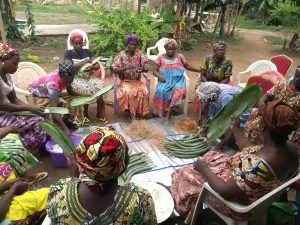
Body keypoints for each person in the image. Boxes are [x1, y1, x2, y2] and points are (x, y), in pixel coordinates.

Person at [170, 99, 299, 224]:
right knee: (213, 156)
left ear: (263, 126)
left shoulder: (257, 166)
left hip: (239, 206)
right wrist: (236, 130)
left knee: (185, 174)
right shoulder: (291, 148)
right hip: (260, 192)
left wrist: (203, 168)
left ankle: (179, 203)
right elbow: (251, 152)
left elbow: (225, 191)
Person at [46, 126, 157, 224]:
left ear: (80, 161)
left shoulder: (58, 192)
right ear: (122, 169)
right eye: (126, 156)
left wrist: (74, 176)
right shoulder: (139, 200)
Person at [0, 43, 47, 152]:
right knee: (38, 122)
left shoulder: (7, 75)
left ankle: (27, 146)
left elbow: (14, 99)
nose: (17, 67)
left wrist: (32, 109)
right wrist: (29, 108)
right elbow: (1, 105)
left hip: (9, 110)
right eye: (14, 64)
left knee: (41, 118)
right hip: (2, 114)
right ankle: (19, 149)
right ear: (3, 60)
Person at [240, 66, 300, 150]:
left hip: (288, 125)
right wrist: (261, 103)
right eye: (296, 76)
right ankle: (250, 150)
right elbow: (267, 95)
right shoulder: (283, 85)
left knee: (288, 142)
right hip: (270, 116)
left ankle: (270, 157)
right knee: (254, 126)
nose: (297, 79)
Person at [28, 60, 86, 136]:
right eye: (66, 82)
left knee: (75, 100)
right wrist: (66, 130)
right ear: (61, 76)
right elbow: (54, 111)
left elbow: (70, 90)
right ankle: (59, 127)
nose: (68, 84)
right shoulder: (53, 84)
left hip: (53, 92)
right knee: (62, 104)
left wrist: (87, 95)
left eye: (70, 81)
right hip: (39, 95)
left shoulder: (66, 76)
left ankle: (67, 121)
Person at [153, 39, 201, 122]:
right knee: (161, 91)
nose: (170, 51)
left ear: (175, 49)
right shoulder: (160, 57)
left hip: (177, 81)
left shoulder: (180, 57)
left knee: (178, 92)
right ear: (165, 49)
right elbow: (154, 71)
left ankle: (169, 114)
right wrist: (160, 77)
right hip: (165, 80)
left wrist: (200, 70)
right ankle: (164, 110)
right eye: (168, 49)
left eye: (172, 49)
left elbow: (188, 67)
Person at [64, 31, 107, 125]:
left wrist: (91, 67)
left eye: (80, 43)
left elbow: (97, 66)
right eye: (76, 43)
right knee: (85, 89)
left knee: (101, 87)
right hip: (76, 77)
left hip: (89, 76)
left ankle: (99, 114)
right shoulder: (68, 54)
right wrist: (84, 63)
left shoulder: (88, 52)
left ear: (83, 43)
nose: (79, 45)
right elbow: (69, 67)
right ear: (72, 43)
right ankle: (85, 114)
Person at [113, 34, 150, 119]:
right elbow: (115, 69)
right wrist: (126, 67)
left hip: (137, 81)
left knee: (143, 91)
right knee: (129, 92)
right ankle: (132, 114)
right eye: (130, 44)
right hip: (125, 82)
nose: (132, 46)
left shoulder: (140, 54)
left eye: (134, 44)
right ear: (127, 44)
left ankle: (138, 112)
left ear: (136, 45)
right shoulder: (120, 55)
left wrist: (143, 69)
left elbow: (146, 68)